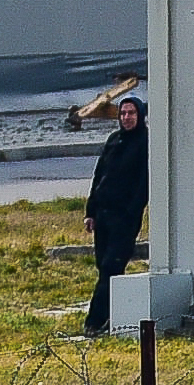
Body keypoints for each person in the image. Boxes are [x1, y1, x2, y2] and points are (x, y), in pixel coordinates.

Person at [76, 85, 150, 335]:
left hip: (124, 218)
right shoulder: (114, 141)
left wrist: (131, 214)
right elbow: (100, 176)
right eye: (123, 114)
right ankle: (108, 317)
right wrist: (91, 211)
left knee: (111, 268)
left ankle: (94, 322)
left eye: (131, 114)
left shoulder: (145, 143)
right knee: (104, 269)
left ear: (140, 116)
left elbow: (143, 183)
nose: (127, 118)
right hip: (103, 215)